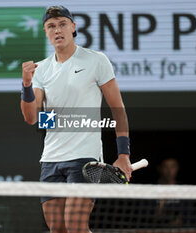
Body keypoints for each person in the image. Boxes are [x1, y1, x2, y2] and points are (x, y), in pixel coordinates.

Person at [21, 6, 132, 233]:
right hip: (51, 160)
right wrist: (26, 85)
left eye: (62, 24)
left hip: (84, 159)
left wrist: (123, 154)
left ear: (73, 28)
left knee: (75, 227)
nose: (57, 30)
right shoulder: (41, 70)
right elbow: (32, 118)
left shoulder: (96, 60)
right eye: (51, 26)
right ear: (45, 32)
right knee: (58, 229)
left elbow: (117, 109)